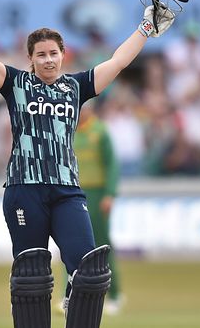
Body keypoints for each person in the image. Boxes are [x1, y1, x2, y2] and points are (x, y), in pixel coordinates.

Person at [0, 0, 186, 328]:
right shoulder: (16, 84)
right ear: (30, 59)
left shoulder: (76, 88)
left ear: (64, 56)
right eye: (41, 55)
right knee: (32, 278)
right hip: (24, 188)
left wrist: (145, 29)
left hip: (67, 190)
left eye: (54, 53)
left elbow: (118, 62)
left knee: (90, 272)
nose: (48, 60)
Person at [69, 104, 124, 315]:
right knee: (71, 244)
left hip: (97, 194)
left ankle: (115, 294)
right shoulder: (69, 130)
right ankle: (71, 293)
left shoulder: (100, 132)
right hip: (73, 194)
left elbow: (112, 165)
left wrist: (109, 194)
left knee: (101, 245)